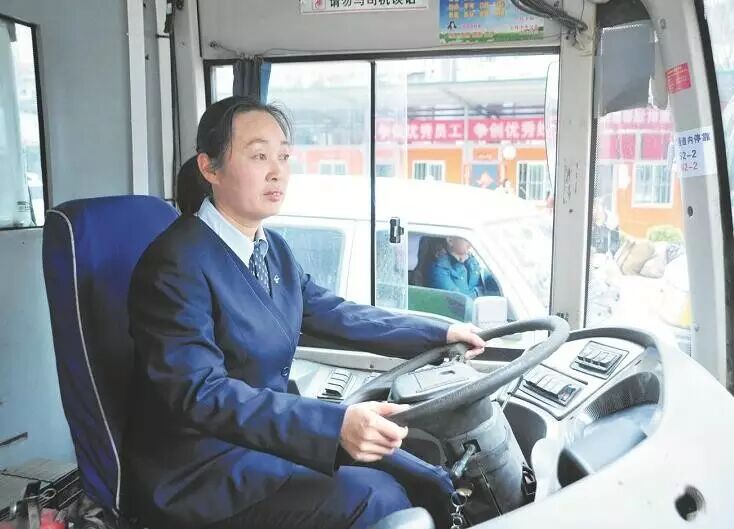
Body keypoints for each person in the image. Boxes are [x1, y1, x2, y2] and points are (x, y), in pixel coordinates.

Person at [124, 96, 485, 529]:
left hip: (259, 442)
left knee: (422, 475)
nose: (277, 171)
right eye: (259, 156)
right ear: (210, 168)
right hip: (202, 470)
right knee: (379, 496)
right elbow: (201, 393)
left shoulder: (271, 248)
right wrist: (333, 425)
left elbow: (335, 312)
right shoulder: (175, 263)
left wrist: (439, 333)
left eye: (284, 156)